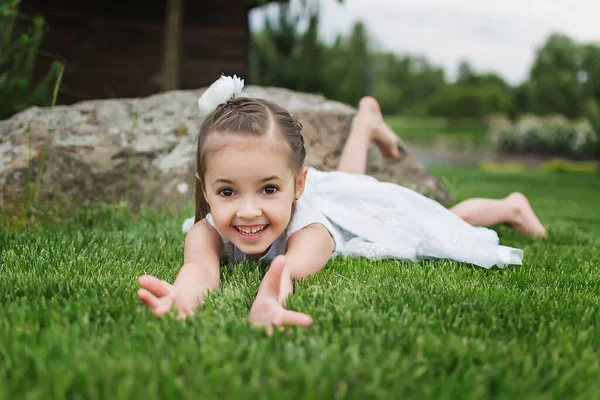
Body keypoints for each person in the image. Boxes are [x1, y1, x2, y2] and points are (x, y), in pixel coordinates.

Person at [137, 76, 546, 332]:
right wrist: (182, 299)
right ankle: (365, 122)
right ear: (204, 190)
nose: (247, 211)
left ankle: (509, 205)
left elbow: (286, 273)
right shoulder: (205, 231)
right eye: (227, 192)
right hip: (325, 191)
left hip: (350, 217)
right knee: (353, 181)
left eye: (267, 190)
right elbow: (198, 270)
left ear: (298, 185)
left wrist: (268, 300)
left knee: (433, 228)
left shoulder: (311, 233)